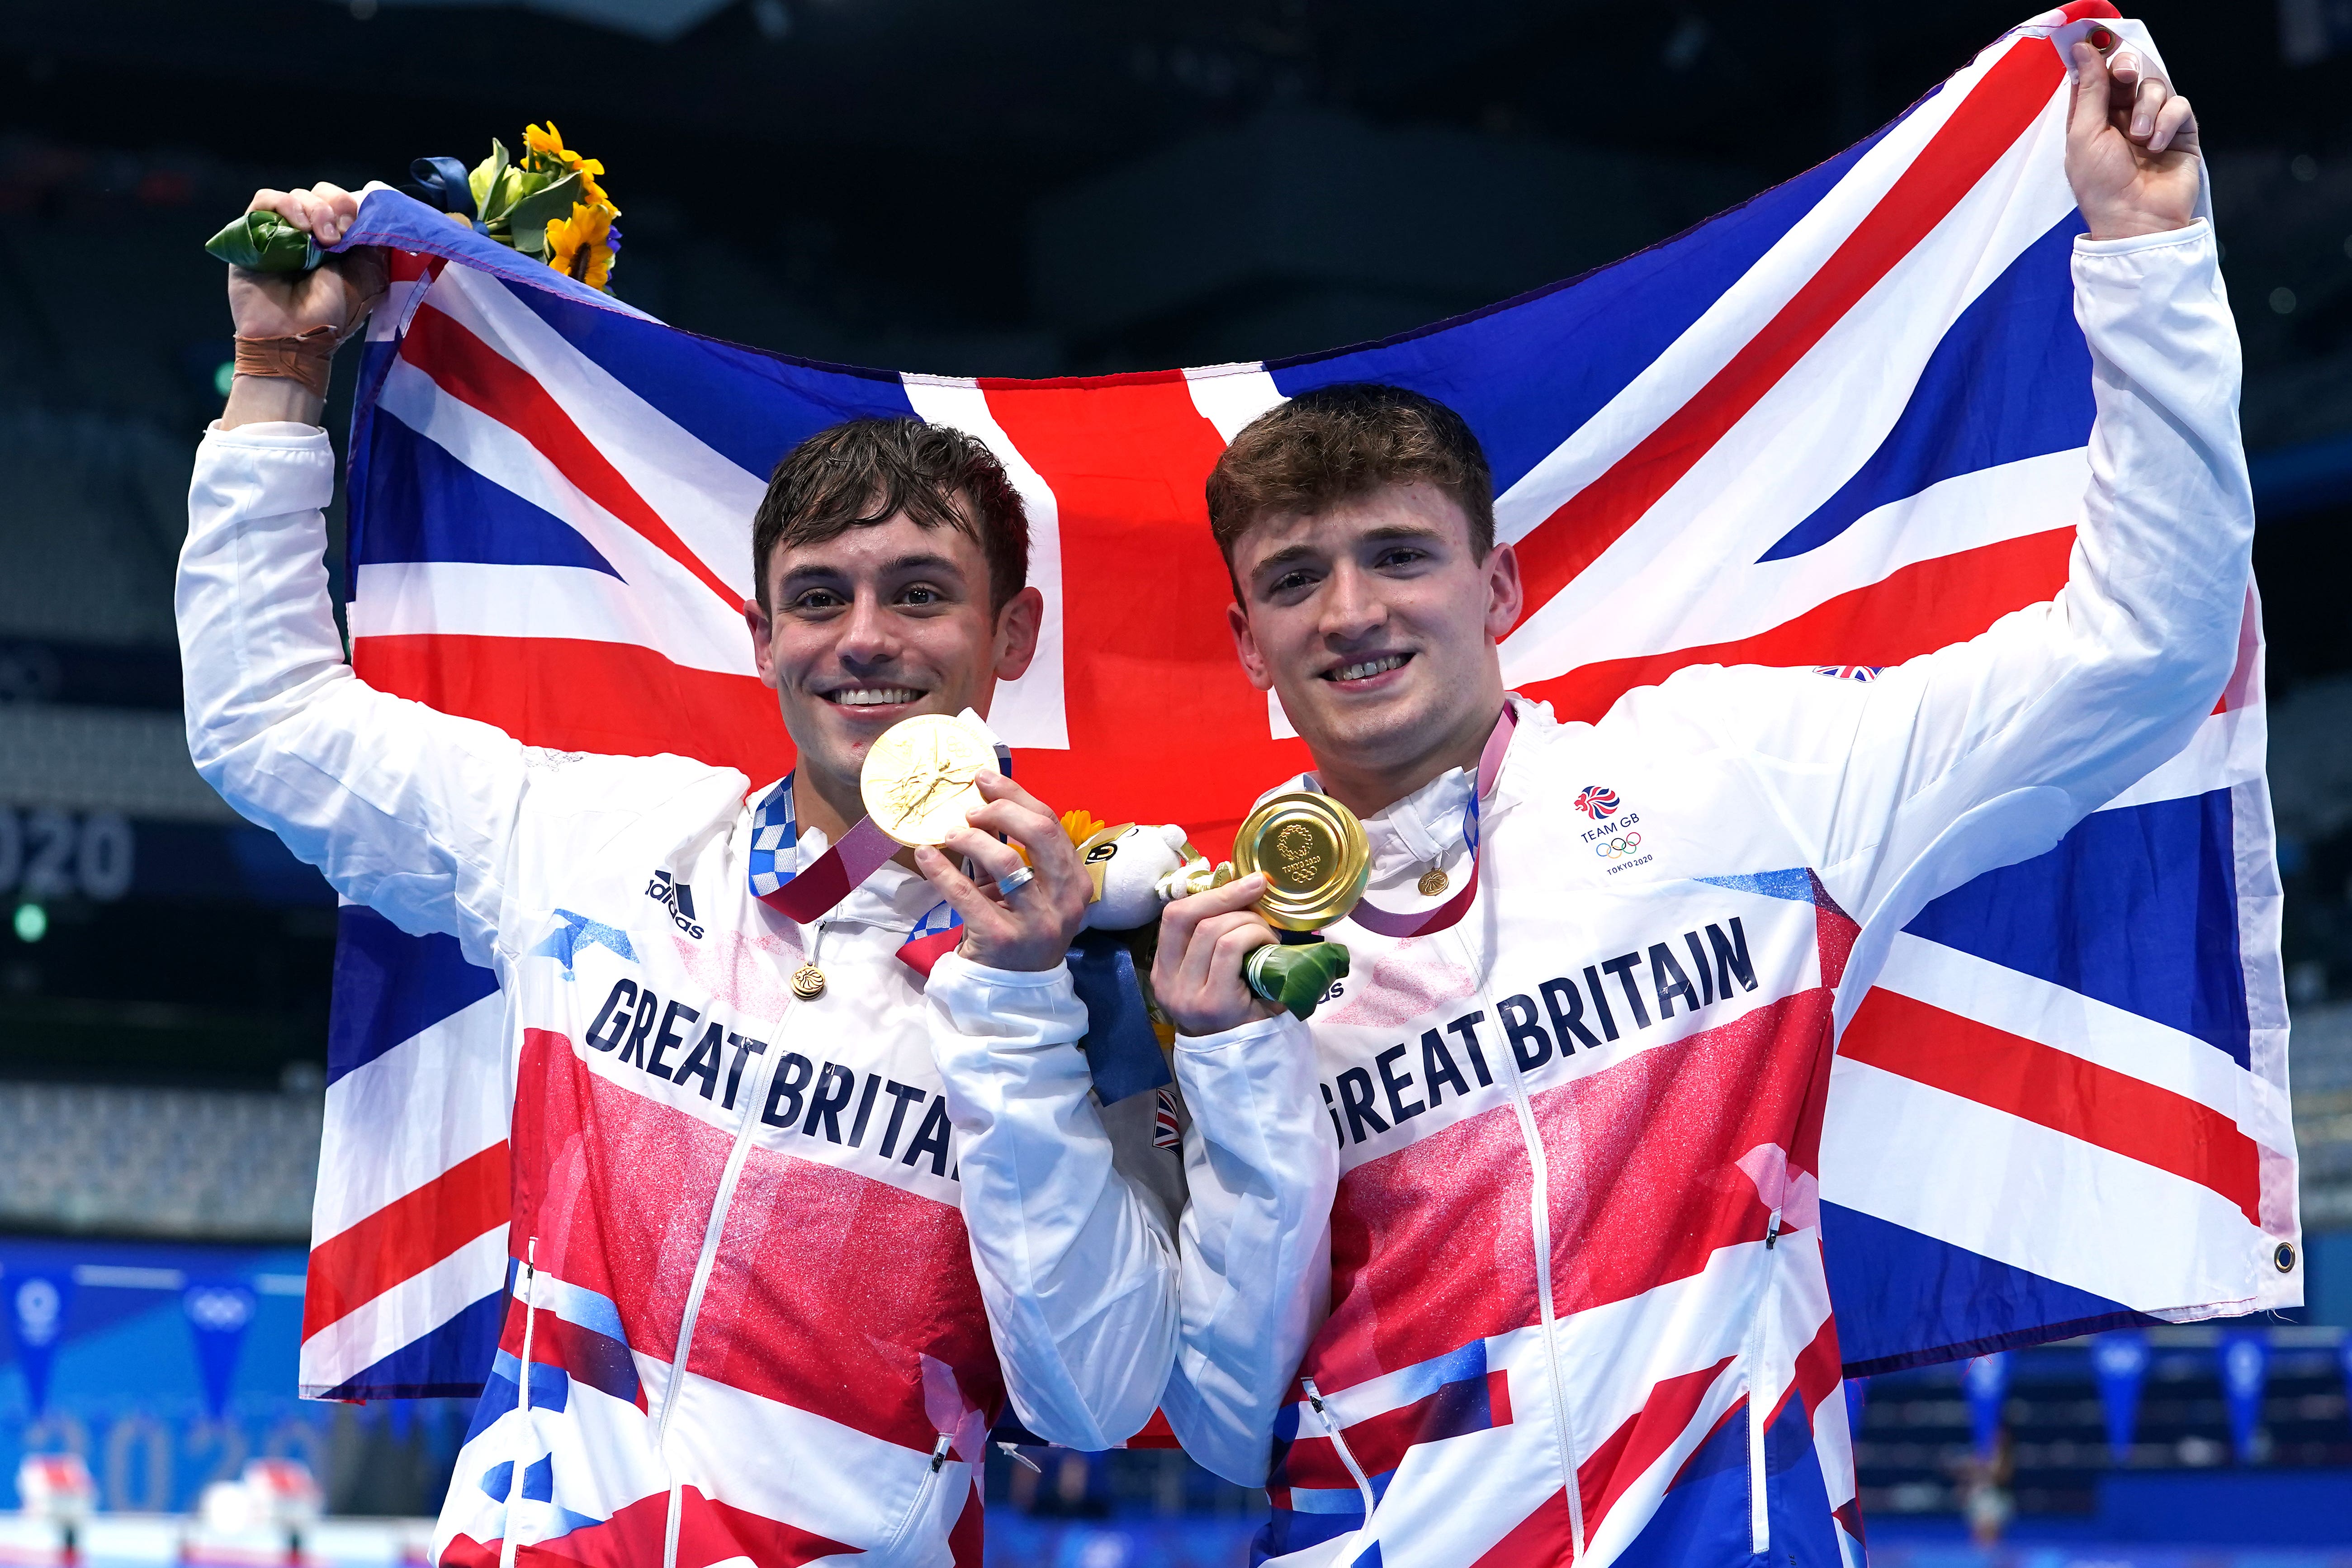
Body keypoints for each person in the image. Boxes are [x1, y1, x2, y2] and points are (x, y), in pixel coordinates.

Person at [1133, 37, 2242, 1564]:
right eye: (1293, 580)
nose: (1350, 612)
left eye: (1397, 555)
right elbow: (1218, 1401)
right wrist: (1233, 1067)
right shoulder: (1223, 948)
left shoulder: (1733, 780)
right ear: (1249, 642)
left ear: (1499, 584)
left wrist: (2143, 256)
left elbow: (2142, 650)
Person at [180, 181, 1302, 1566]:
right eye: (821, 597)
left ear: (1011, 634)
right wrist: (281, 373)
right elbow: (267, 722)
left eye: (919, 593)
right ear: (760, 632)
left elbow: (1096, 1393)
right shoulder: (591, 840)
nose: (865, 639)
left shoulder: (1096, 965)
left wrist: (1015, 1002)